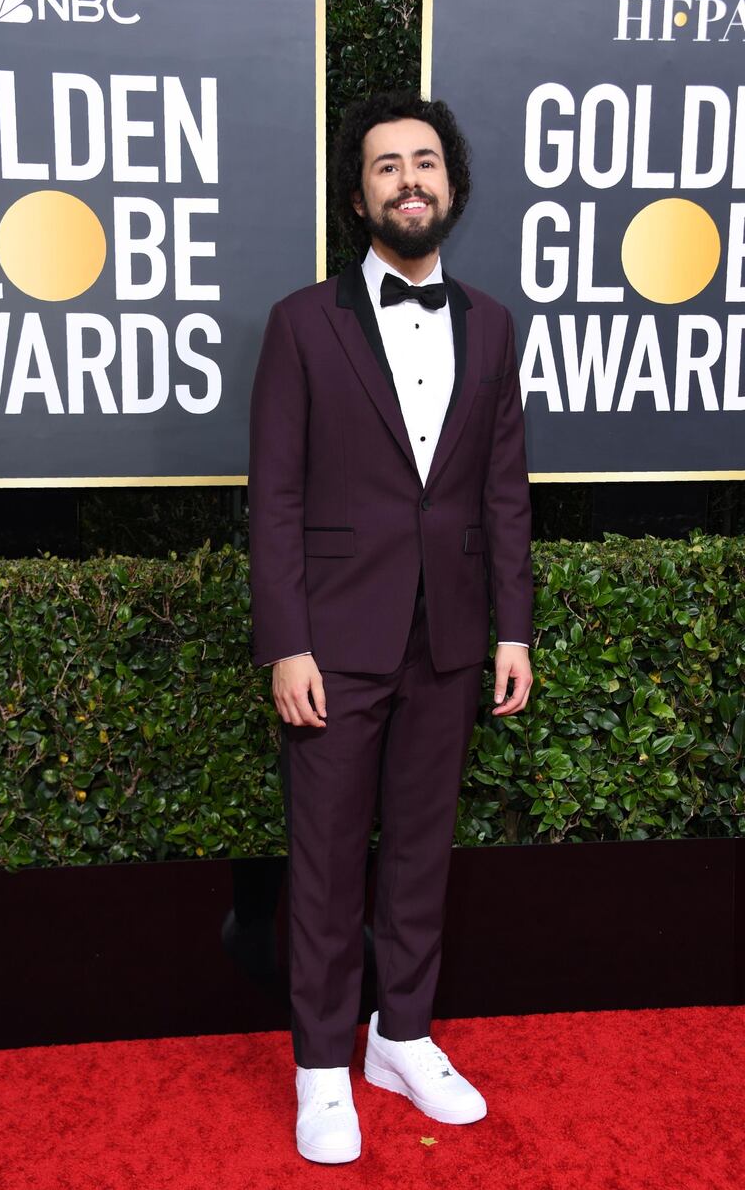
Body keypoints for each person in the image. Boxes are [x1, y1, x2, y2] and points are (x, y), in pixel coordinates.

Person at [248, 90, 534, 1164]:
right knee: (323, 862)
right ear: (356, 194)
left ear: (449, 182)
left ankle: (399, 1034)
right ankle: (320, 1064)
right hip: (332, 639)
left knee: (420, 852)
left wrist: (513, 629)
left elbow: (504, 487)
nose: (408, 179)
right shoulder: (299, 323)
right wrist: (285, 640)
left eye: (425, 161)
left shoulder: (494, 324)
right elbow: (271, 494)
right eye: (385, 166)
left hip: (451, 637)